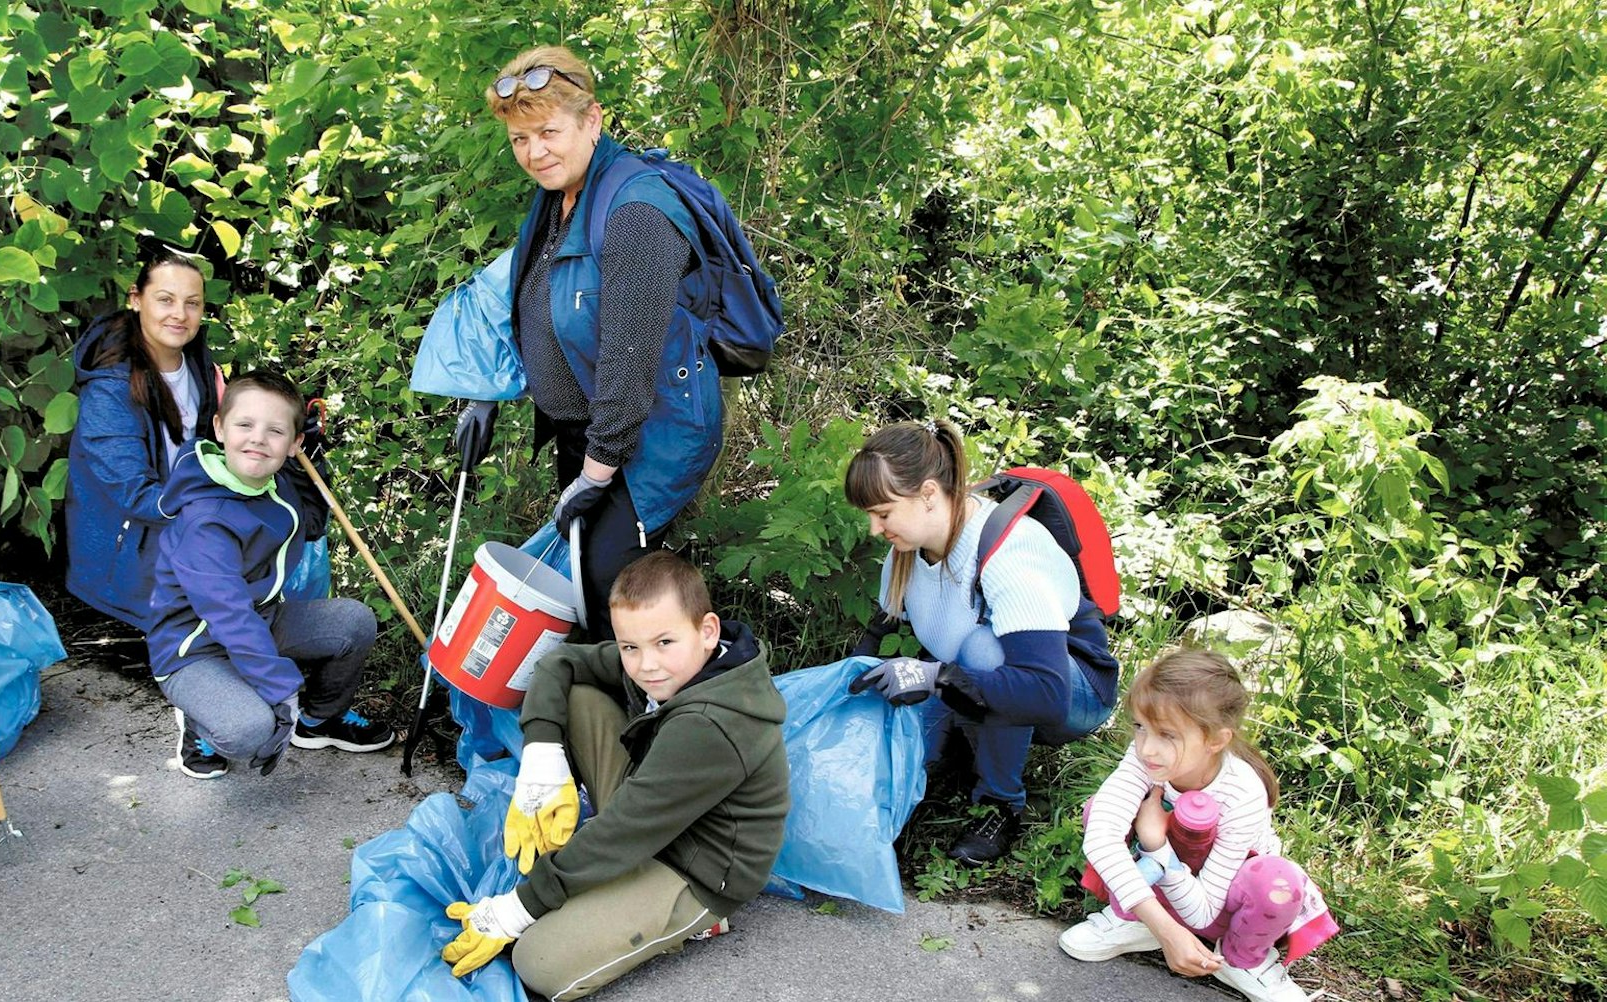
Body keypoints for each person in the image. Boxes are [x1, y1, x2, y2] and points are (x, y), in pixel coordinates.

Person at [452, 45, 723, 638]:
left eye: (548, 132)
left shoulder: (637, 212)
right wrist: (484, 391)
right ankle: (599, 715)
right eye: (520, 139)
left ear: (592, 120)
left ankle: (672, 715)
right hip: (587, 432)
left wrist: (594, 477)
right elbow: (517, 297)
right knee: (585, 587)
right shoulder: (558, 199)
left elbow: (629, 368)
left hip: (650, 432)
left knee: (616, 589)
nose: (534, 152)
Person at [440, 551, 789, 1000]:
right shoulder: (669, 667)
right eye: (630, 647)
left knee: (537, 963)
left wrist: (519, 908)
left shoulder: (711, 725)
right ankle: (600, 878)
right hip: (653, 807)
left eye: (664, 643)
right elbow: (560, 662)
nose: (646, 666)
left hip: (695, 868)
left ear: (707, 631)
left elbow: (624, 831)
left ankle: (696, 921)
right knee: (578, 695)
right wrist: (541, 758)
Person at [842, 421, 1116, 864]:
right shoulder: (905, 555)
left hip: (1072, 691)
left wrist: (938, 678)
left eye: (884, 513)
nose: (875, 529)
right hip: (966, 671)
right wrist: (845, 692)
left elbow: (1045, 693)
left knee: (983, 651)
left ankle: (1001, 805)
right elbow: (878, 635)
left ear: (929, 494)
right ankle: (960, 753)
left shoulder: (1011, 552)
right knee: (904, 766)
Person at [144, 370, 393, 780]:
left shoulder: (273, 482)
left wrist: (308, 463)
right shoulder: (206, 520)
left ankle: (319, 722)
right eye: (245, 425)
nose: (258, 438)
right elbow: (229, 615)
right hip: (194, 648)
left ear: (294, 443)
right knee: (251, 729)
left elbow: (310, 524)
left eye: (275, 430)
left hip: (259, 618)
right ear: (220, 428)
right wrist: (282, 692)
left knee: (354, 621)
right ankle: (200, 724)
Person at [1058, 649, 1337, 1002]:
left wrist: (1156, 846)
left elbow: (1204, 910)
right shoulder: (1145, 758)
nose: (1147, 749)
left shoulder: (1243, 791)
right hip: (1164, 893)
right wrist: (1165, 928)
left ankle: (1241, 960)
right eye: (1140, 728)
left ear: (1216, 740)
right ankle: (1135, 921)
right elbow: (1101, 837)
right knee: (1100, 810)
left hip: (1222, 906)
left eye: (1167, 735)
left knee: (1278, 880)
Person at [66, 250, 222, 628]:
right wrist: (216, 513)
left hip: (180, 530)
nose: (179, 315)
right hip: (127, 562)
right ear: (136, 299)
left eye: (192, 304)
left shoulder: (201, 366)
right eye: (165, 300)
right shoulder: (110, 388)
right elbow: (133, 493)